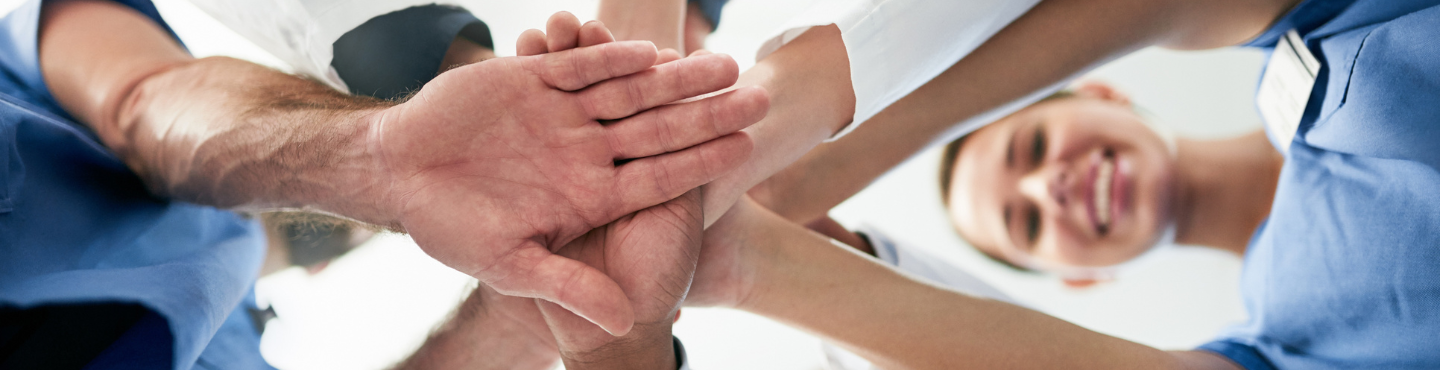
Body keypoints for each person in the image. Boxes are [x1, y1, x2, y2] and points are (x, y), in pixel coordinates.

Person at [0, 0, 766, 368]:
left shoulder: (227, 344)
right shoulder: (46, 87)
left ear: (324, 270)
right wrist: (369, 155)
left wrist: (547, 324)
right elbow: (146, 97)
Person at [682, 0, 1440, 369]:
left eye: (1033, 148)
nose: (1053, 191)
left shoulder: (1319, 32)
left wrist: (804, 149)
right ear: (1080, 277)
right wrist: (754, 269)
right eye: (1028, 224)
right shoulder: (1291, 338)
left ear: (1101, 95)